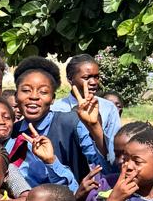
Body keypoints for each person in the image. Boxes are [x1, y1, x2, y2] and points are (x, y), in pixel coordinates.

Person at [7, 58, 101, 188]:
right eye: (26, 90)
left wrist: (95, 127)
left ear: (52, 99)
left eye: (43, 92)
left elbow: (103, 164)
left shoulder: (71, 123)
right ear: (16, 96)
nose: (34, 96)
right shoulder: (12, 132)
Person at [52, 54, 121, 162]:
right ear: (70, 78)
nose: (93, 82)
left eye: (96, 77)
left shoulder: (108, 108)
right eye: (86, 78)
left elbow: (115, 147)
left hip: (102, 167)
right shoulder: (55, 109)